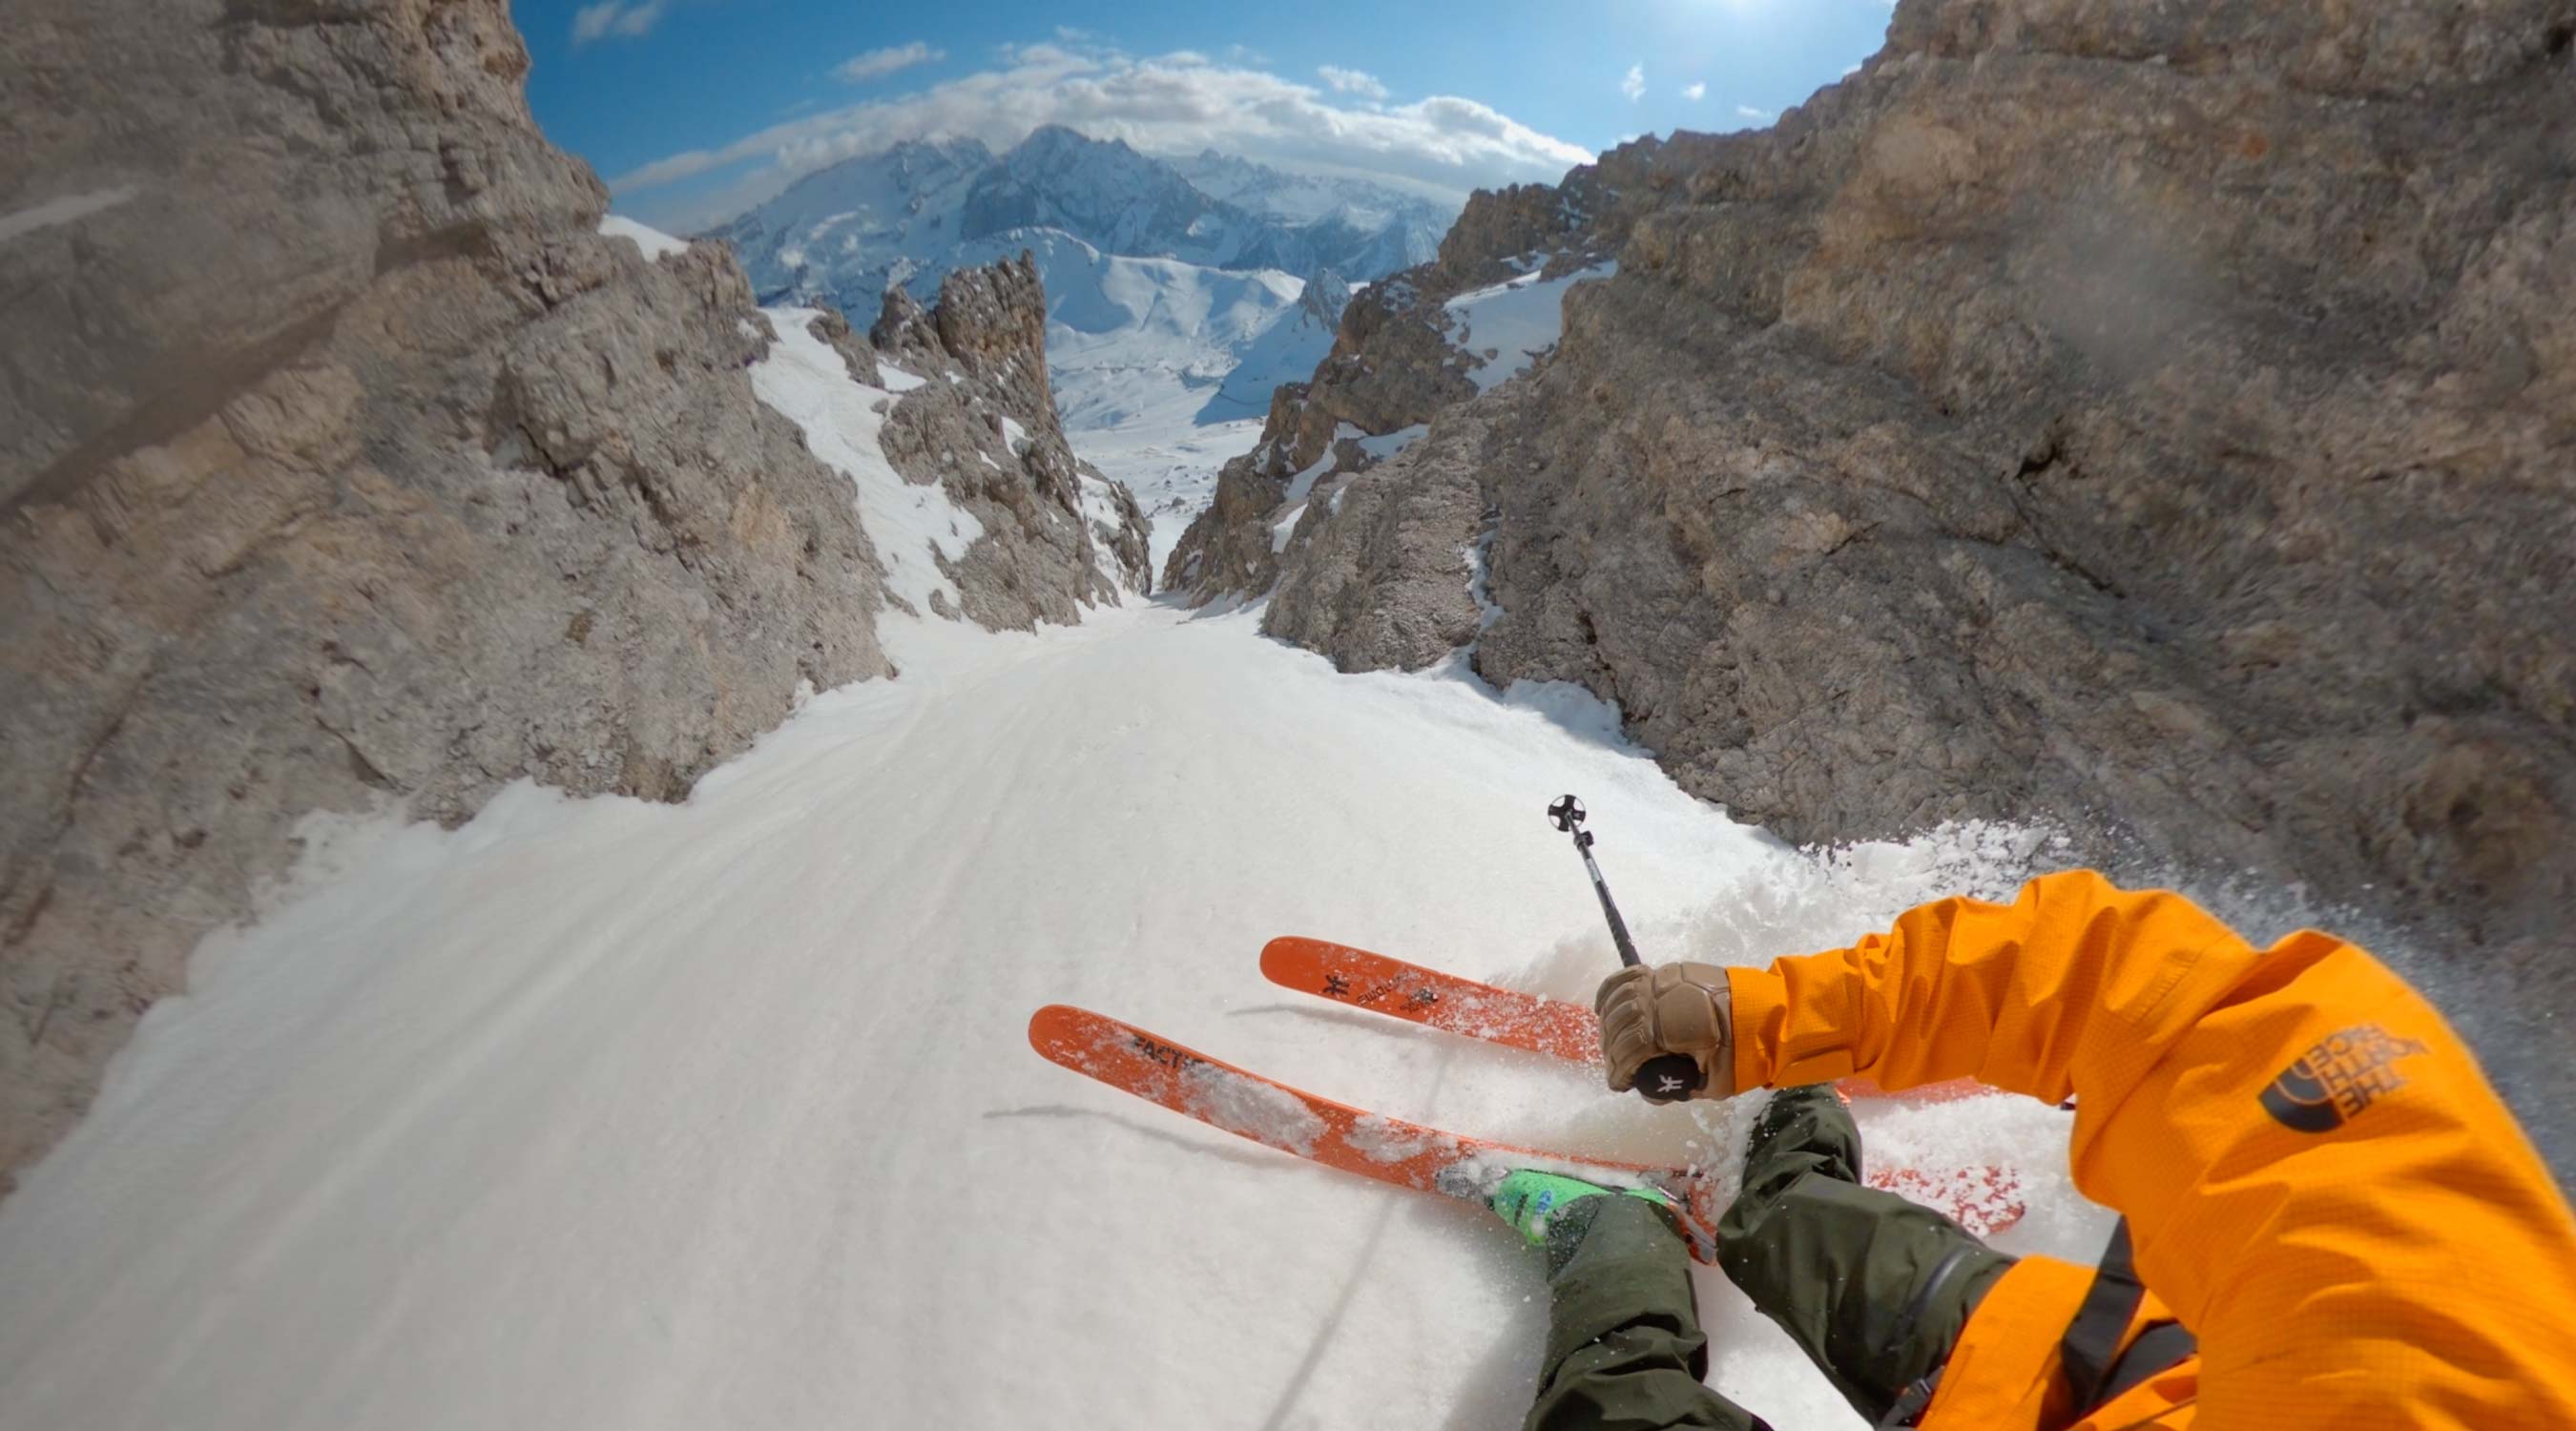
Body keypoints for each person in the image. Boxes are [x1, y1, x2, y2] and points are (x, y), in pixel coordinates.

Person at [1482, 869, 2576, 1430]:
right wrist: (1772, 1019)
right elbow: (2160, 1001)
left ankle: (1613, 1256)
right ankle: (1791, 1127)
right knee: (1788, 1222)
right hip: (2080, 1378)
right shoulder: (2450, 1373)